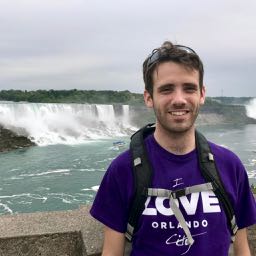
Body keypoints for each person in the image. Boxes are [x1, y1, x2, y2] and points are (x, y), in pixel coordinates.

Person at [90, 41, 256, 255]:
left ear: (202, 94)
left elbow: (242, 248)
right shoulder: (122, 170)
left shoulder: (229, 165)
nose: (179, 99)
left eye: (189, 88)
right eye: (167, 89)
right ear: (149, 97)